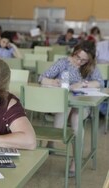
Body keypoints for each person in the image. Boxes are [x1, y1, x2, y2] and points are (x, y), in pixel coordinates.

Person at [38, 40, 104, 177]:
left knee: (75, 116)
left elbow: (100, 82)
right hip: (63, 103)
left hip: (81, 105)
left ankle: (75, 160)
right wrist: (54, 82)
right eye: (77, 57)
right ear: (74, 52)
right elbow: (42, 78)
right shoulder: (63, 62)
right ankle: (53, 140)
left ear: (89, 59)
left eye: (84, 60)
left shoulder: (90, 67)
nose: (79, 61)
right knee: (65, 108)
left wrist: (83, 84)